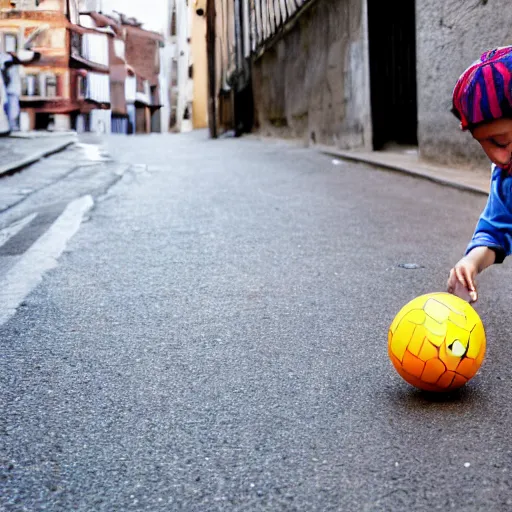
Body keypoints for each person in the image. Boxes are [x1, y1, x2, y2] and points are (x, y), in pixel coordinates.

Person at [447, 46, 512, 303]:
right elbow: (497, 228)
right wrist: (471, 262)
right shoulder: (506, 177)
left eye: (502, 141)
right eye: (486, 144)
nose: (499, 158)